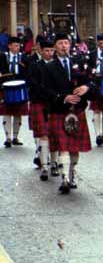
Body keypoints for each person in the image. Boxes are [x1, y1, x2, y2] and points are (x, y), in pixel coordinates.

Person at [43, 33, 96, 194]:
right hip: (59, 110)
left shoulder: (80, 64)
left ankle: (71, 173)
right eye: (60, 43)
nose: (64, 46)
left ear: (70, 45)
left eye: (66, 43)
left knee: (74, 148)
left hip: (77, 111)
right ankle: (65, 178)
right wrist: (63, 98)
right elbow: (45, 90)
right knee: (63, 146)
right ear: (55, 47)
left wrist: (86, 88)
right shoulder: (49, 67)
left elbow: (93, 82)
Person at [27, 39, 56, 180]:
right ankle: (44, 166)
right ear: (41, 51)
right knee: (43, 134)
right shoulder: (35, 66)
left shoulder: (58, 66)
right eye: (46, 50)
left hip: (54, 104)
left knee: (54, 134)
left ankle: (54, 163)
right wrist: (49, 94)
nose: (49, 53)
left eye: (51, 50)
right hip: (40, 102)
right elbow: (33, 84)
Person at [0, 36, 29, 147]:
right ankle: (8, 138)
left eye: (19, 45)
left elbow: (29, 70)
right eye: (15, 45)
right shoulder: (2, 57)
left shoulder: (24, 57)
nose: (18, 47)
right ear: (9, 46)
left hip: (20, 87)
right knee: (7, 112)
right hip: (5, 87)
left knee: (18, 113)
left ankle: (15, 137)